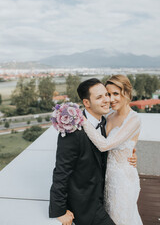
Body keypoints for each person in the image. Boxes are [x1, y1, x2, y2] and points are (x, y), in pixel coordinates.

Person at [49, 78, 137, 225]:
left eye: (106, 95)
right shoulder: (73, 131)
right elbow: (61, 172)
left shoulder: (106, 121)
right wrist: (60, 211)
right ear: (86, 103)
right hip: (85, 205)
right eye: (99, 97)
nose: (107, 100)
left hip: (107, 197)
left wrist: (131, 154)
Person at [83, 75, 143, 225]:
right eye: (108, 94)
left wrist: (80, 119)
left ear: (127, 93)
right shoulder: (108, 115)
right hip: (106, 177)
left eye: (116, 93)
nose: (110, 99)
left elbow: (104, 145)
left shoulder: (134, 119)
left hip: (123, 181)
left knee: (121, 220)